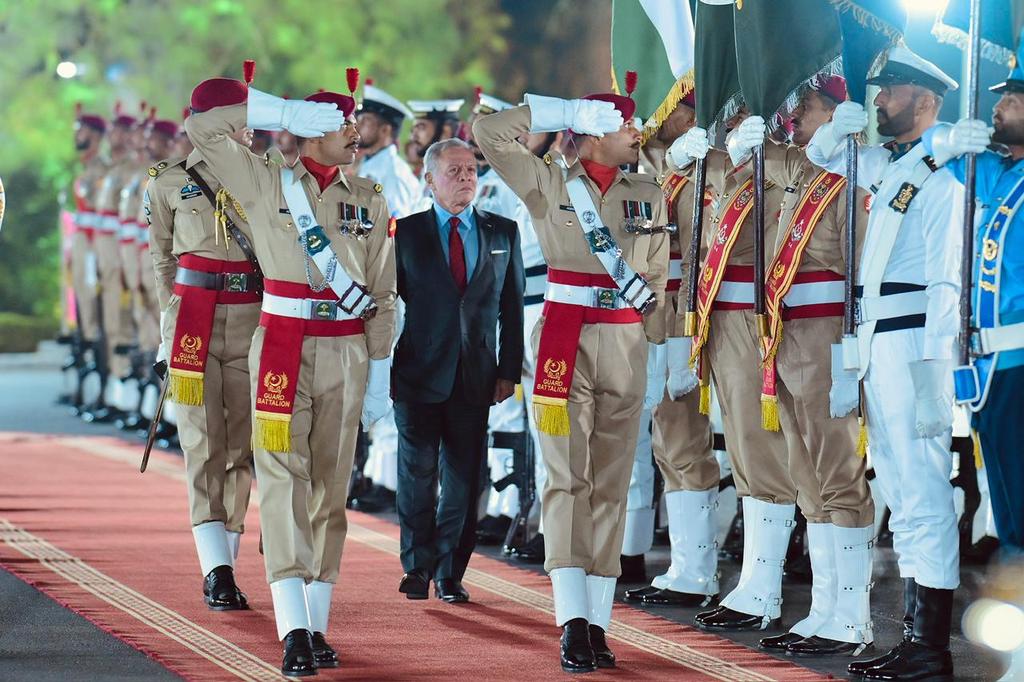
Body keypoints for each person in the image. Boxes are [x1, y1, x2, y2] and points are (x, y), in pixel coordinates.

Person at [185, 68, 396, 676]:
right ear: (311, 131)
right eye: (342, 123)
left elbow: (384, 290)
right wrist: (280, 113)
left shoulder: (370, 197)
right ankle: (293, 627)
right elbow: (204, 129)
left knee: (331, 487)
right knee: (281, 480)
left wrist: (380, 368)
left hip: (346, 351)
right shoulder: (263, 180)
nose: (355, 131)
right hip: (280, 346)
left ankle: (317, 619)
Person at [474, 80, 669, 673]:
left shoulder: (648, 192)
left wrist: (658, 348)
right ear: (590, 132)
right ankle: (571, 620)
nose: (636, 131)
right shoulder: (549, 181)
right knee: (565, 478)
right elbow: (489, 132)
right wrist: (560, 112)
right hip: (563, 339)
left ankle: (599, 621)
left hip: (625, 343)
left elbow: (657, 277)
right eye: (623, 123)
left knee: (611, 482)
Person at [807, 46, 964, 681]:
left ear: (926, 100)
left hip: (916, 344)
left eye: (890, 91)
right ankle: (912, 636)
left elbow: (948, 281)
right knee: (897, 491)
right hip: (878, 341)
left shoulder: (944, 172)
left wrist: (936, 372)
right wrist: (834, 130)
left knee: (924, 491)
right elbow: (822, 157)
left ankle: (931, 647)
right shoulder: (892, 163)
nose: (878, 100)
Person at [723, 78, 876, 657]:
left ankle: (854, 615)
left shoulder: (854, 177)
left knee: (838, 473)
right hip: (787, 339)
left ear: (835, 114)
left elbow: (858, 265)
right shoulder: (805, 171)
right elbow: (769, 160)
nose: (792, 118)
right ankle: (824, 607)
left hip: (826, 339)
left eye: (804, 108)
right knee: (807, 476)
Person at [671, 109, 797, 634]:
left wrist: (765, 155)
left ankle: (764, 587)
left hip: (752, 316)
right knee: (743, 452)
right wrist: (679, 157)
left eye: (744, 113)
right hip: (717, 318)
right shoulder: (728, 166)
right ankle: (750, 582)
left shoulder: (783, 165)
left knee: (759, 449)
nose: (733, 123)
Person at [147, 74, 261, 618]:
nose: (250, 128)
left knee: (241, 447)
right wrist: (165, 333)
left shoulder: (265, 175)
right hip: (192, 321)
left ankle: (227, 564)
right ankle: (215, 570)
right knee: (201, 444)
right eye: (241, 117)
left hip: (253, 317)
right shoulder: (168, 181)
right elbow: (161, 262)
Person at [393, 137, 524, 603]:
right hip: (417, 373)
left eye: (471, 169)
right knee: (417, 474)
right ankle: (416, 566)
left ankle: (450, 572)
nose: (466, 177)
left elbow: (512, 307)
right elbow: (388, 304)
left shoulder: (502, 231)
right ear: (430, 179)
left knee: (464, 480)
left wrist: (509, 370)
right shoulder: (405, 233)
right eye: (454, 171)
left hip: (475, 374)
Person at [622, 92, 721, 609]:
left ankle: (698, 571)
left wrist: (684, 339)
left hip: (683, 320)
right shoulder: (657, 170)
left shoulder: (702, 169)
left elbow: (699, 256)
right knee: (666, 447)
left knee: (684, 444)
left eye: (675, 107)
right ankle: (686, 567)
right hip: (651, 319)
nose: (662, 117)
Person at [926, 50, 1024, 561]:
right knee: (1008, 500)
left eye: (1013, 99)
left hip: (1020, 361)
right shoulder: (998, 172)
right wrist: (952, 138)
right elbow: (931, 142)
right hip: (992, 367)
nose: (998, 108)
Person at [89, 103, 143, 422]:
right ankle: (113, 391)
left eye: (122, 131)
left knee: (127, 324)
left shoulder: (134, 171)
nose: (115, 136)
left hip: (126, 258)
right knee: (109, 323)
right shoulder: (111, 169)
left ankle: (128, 393)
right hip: (107, 255)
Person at [69, 107, 109, 413]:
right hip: (84, 247)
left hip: (98, 249)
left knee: (99, 317)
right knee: (85, 317)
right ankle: (90, 384)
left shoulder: (102, 169)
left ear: (94, 134)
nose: (77, 135)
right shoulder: (85, 167)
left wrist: (94, 258)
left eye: (81, 129)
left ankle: (104, 386)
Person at [357, 82, 421, 218]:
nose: (357, 126)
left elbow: (398, 224)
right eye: (358, 119)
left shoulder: (394, 173)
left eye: (365, 121)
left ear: (385, 130)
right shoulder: (372, 163)